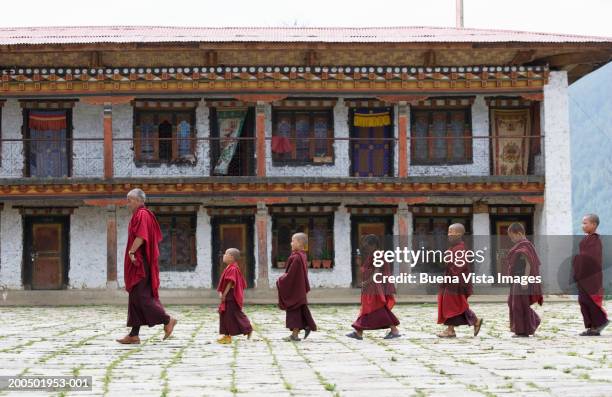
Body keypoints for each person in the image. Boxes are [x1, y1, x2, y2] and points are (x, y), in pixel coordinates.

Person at [116, 188, 177, 344]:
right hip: (139, 261)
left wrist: (131, 251)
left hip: (140, 263)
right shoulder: (140, 214)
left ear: (139, 201)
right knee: (136, 297)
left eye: (130, 200)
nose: (127, 203)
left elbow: (141, 236)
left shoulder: (143, 214)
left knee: (142, 297)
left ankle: (167, 320)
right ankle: (134, 334)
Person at [346, 234, 401, 340]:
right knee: (372, 308)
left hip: (374, 286)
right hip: (371, 286)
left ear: (373, 245)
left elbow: (377, 271)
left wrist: (366, 282)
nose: (365, 248)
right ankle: (359, 331)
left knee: (374, 308)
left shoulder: (378, 255)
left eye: (367, 246)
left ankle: (393, 330)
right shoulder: (373, 254)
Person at [437, 223, 483, 338]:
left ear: (459, 234)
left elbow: (459, 266)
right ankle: (473, 321)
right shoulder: (454, 248)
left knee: (453, 305)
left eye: (451, 232)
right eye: (448, 232)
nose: (449, 235)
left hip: (456, 282)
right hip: (451, 281)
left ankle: (451, 330)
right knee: (455, 305)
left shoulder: (460, 249)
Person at [276, 232, 317, 341]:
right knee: (300, 310)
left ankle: (295, 334)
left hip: (295, 289)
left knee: (294, 311)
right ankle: (305, 327)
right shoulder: (302, 255)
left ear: (299, 243)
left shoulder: (297, 258)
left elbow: (291, 276)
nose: (291, 243)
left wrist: (280, 280)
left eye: (293, 241)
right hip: (299, 289)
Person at [573, 214, 609, 336]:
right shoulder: (587, 239)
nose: (583, 226)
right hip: (584, 275)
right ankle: (592, 326)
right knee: (583, 300)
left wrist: (577, 260)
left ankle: (600, 323)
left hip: (591, 276)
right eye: (582, 223)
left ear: (593, 225)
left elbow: (590, 258)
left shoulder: (594, 240)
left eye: (585, 223)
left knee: (590, 301)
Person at [505, 223, 543, 337]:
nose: (512, 240)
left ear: (519, 234)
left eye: (512, 237)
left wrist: (525, 279)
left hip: (522, 278)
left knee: (518, 304)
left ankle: (522, 330)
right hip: (517, 278)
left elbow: (529, 264)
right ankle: (534, 320)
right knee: (514, 303)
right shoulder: (521, 245)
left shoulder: (525, 246)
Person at [217, 248, 253, 344]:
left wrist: (224, 294)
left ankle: (248, 328)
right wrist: (221, 292)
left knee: (235, 313)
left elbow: (230, 282)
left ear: (231, 257)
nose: (223, 256)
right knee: (226, 315)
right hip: (228, 294)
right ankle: (226, 335)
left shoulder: (233, 268)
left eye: (225, 254)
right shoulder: (230, 267)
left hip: (231, 295)